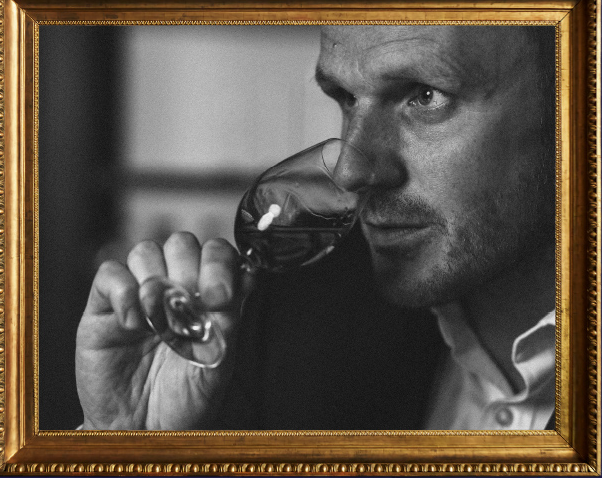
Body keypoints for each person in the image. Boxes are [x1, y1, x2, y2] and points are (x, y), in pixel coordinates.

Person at [75, 25, 556, 431]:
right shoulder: (291, 317)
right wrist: (128, 440)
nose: (350, 169)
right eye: (345, 98)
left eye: (425, 96)